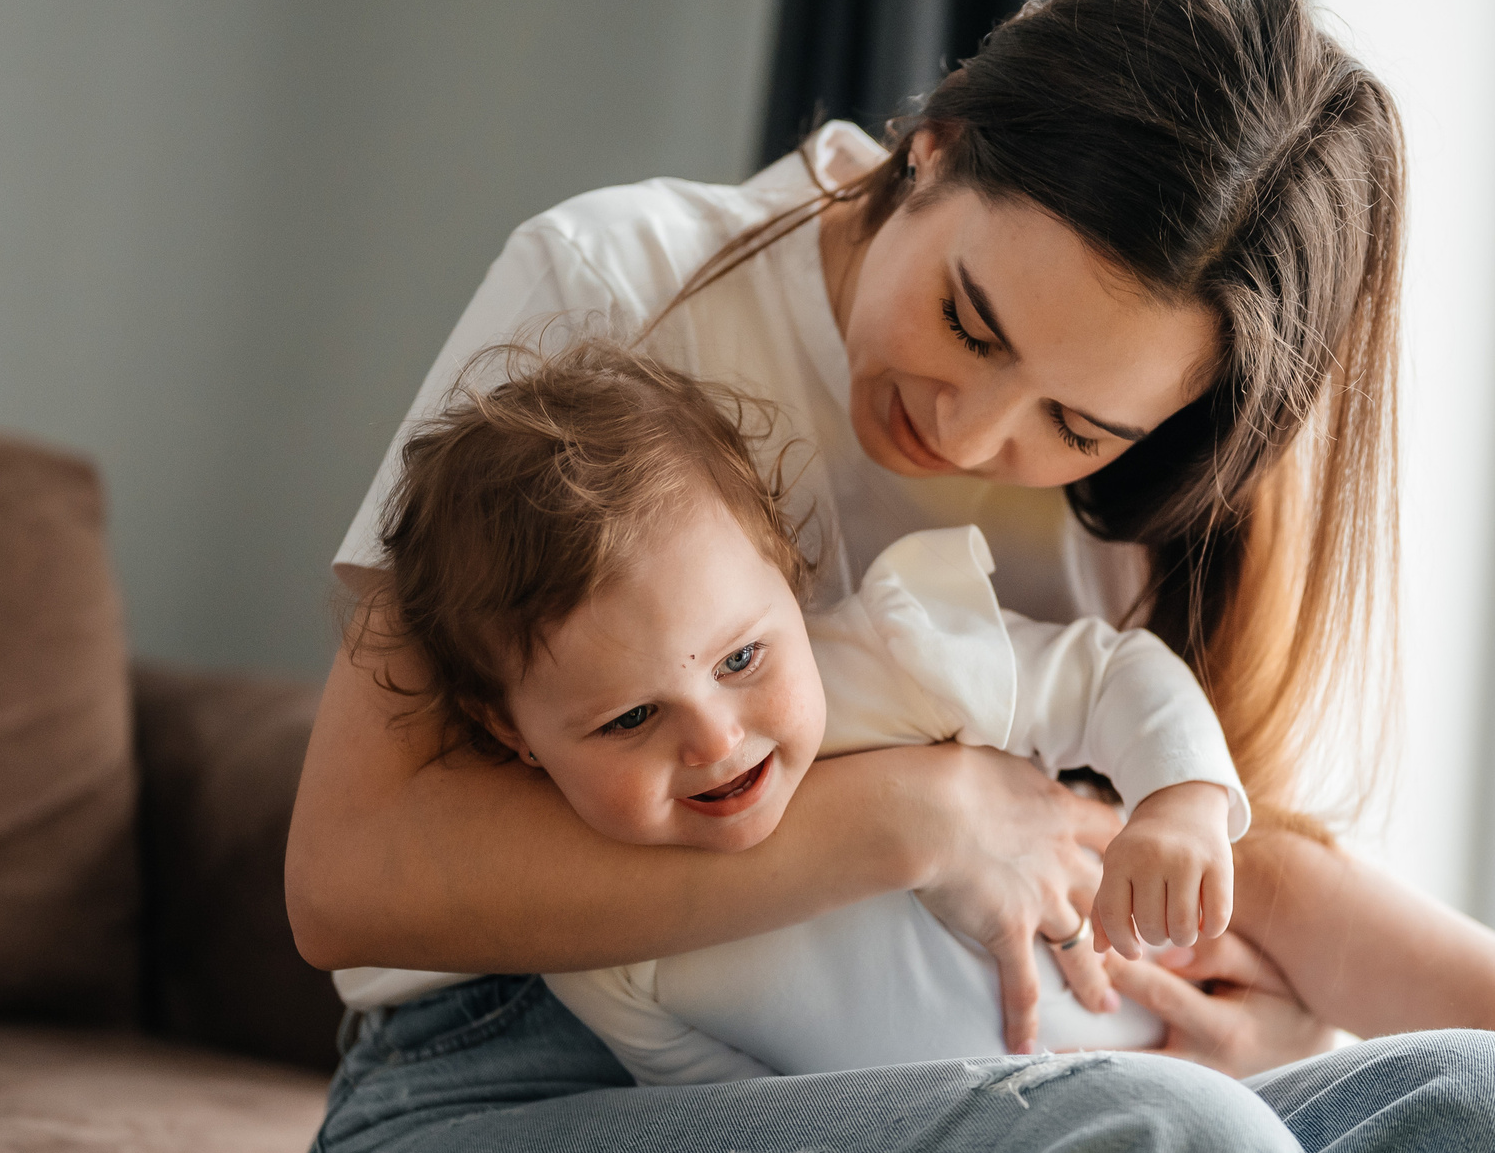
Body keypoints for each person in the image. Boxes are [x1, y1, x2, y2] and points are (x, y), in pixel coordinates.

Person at [287, 0, 1495, 1153]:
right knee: (1165, 1152)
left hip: (984, 1082)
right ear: (930, 148)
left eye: (1075, 419)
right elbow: (349, 869)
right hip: (503, 1094)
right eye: (972, 320)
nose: (971, 429)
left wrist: (1275, 1014)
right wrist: (920, 811)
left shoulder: (1143, 497)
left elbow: (1205, 865)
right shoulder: (614, 281)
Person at [340, 336, 1245, 1075]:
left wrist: (1183, 801)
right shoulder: (600, 948)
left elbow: (1110, 672)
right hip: (1014, 1145)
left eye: (741, 656)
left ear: (785, 569)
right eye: (629, 719)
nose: (716, 738)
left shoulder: (891, 660)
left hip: (1184, 993)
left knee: (1332, 968)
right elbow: (742, 1120)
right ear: (516, 733)